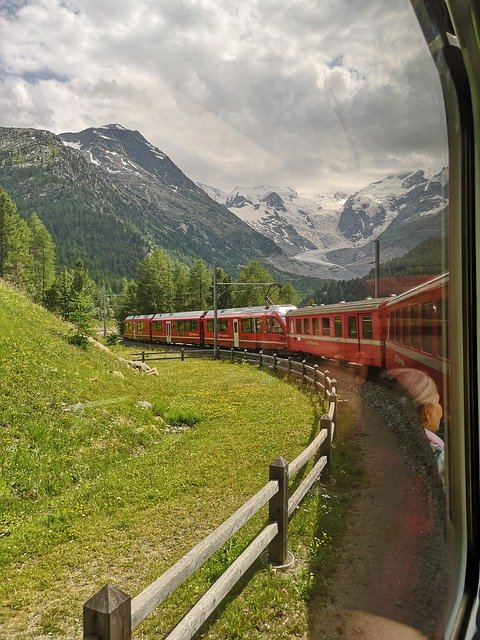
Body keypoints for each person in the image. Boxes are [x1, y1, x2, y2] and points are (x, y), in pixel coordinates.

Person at [388, 367, 445, 481]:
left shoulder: (389, 439)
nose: (440, 408)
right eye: (437, 402)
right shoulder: (434, 452)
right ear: (426, 411)